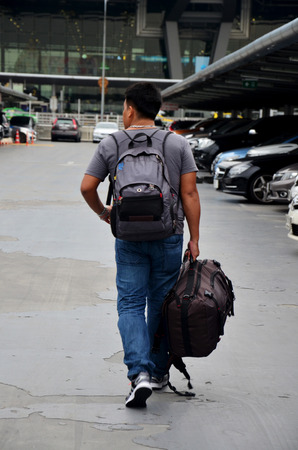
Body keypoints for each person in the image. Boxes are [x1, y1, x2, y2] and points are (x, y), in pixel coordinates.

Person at [80, 82, 201, 408]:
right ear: (157, 109)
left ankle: (139, 374)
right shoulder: (177, 144)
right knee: (161, 303)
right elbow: (189, 193)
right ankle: (159, 372)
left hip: (129, 238)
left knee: (130, 304)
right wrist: (195, 237)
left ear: (130, 109)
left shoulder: (112, 143)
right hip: (168, 236)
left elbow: (87, 187)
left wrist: (104, 213)